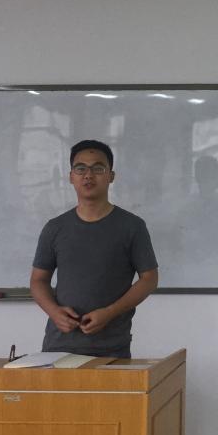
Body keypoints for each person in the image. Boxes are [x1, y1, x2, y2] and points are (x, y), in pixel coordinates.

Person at [29, 140, 159, 358]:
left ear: (111, 176)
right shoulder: (55, 228)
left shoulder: (132, 226)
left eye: (98, 168)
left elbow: (149, 279)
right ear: (71, 176)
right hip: (58, 348)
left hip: (112, 349)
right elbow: (38, 280)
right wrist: (54, 312)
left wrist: (109, 313)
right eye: (81, 169)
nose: (88, 175)